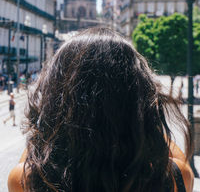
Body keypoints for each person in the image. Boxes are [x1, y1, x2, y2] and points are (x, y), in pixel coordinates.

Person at [7, 27, 194, 192]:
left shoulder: (26, 181)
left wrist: (45, 121)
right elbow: (179, 160)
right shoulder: (174, 178)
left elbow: (32, 155)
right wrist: (146, 120)